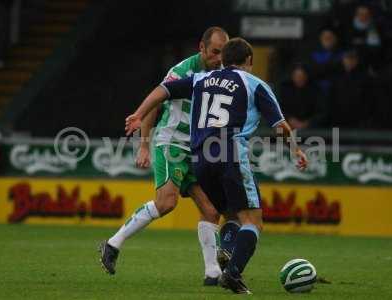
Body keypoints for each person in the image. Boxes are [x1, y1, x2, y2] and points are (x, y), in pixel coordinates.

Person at [125, 38, 308, 294]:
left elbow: (164, 90)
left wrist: (138, 112)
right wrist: (296, 150)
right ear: (249, 61)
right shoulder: (254, 84)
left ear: (223, 59)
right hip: (229, 154)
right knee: (253, 222)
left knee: (230, 214)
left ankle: (228, 249)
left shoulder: (203, 79)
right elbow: (281, 126)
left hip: (199, 159)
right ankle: (232, 274)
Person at [99, 27, 230, 286]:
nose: (219, 59)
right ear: (201, 48)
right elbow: (156, 102)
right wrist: (144, 146)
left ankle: (213, 273)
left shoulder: (223, 74)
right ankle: (113, 244)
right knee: (167, 202)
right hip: (170, 144)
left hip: (197, 149)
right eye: (214, 52)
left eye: (223, 53)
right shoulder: (181, 72)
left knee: (211, 210)